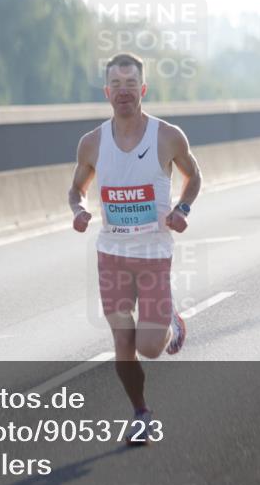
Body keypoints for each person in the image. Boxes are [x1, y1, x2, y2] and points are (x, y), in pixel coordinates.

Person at [68, 52, 202, 445]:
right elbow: (76, 187)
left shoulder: (168, 136)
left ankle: (171, 322)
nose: (124, 93)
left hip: (154, 255)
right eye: (117, 86)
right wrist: (78, 209)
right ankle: (141, 412)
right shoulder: (91, 143)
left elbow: (194, 175)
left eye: (131, 86)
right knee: (123, 344)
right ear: (107, 91)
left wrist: (183, 208)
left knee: (149, 348)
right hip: (111, 255)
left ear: (142, 90)